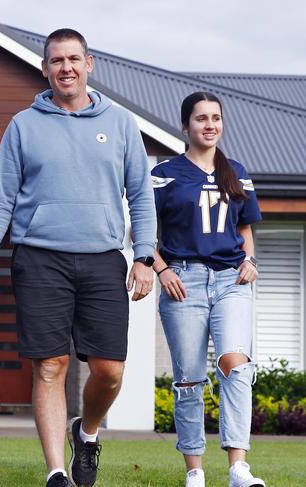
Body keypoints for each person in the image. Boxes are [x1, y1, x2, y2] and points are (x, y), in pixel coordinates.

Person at [0, 29, 157, 487]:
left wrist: (145, 256)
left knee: (110, 371)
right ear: (45, 68)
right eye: (56, 61)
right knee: (50, 366)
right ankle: (56, 470)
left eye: (74, 59)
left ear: (89, 64)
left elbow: (141, 195)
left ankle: (86, 432)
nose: (65, 68)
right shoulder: (23, 125)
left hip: (102, 259)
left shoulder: (120, 123)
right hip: (40, 258)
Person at [151, 92, 265, 487]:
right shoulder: (165, 173)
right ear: (186, 125)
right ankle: (195, 472)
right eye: (201, 118)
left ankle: (238, 468)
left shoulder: (236, 171)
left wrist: (250, 261)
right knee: (189, 379)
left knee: (237, 366)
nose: (210, 125)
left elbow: (245, 228)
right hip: (184, 282)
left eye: (216, 118)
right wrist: (161, 269)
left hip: (231, 281)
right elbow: (144, 231)